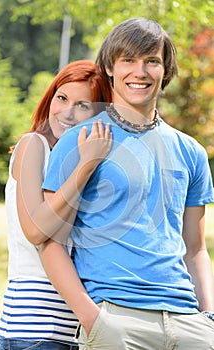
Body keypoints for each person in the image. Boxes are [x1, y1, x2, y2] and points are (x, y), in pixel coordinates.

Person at [41, 17, 214, 350]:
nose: (141, 72)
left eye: (152, 61)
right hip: (116, 320)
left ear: (166, 69)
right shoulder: (80, 141)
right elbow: (50, 243)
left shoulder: (191, 151)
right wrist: (93, 320)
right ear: (109, 67)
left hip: (188, 322)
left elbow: (195, 249)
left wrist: (207, 317)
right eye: (129, 61)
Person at [0, 59, 113, 350]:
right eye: (62, 98)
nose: (68, 113)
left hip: (73, 333)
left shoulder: (76, 164)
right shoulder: (34, 146)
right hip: (32, 331)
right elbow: (36, 231)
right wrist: (86, 166)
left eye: (83, 105)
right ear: (50, 98)